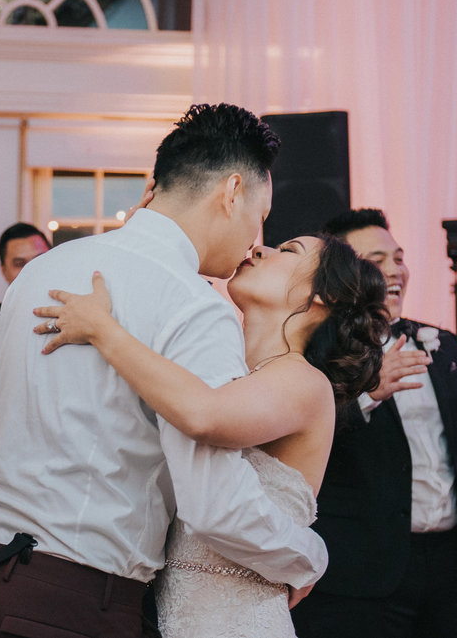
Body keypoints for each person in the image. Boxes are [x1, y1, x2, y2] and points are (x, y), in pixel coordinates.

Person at [0, 104, 328, 638]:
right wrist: (308, 556)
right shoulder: (193, 305)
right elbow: (213, 504)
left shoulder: (43, 269)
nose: (257, 240)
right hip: (67, 601)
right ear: (232, 193)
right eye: (262, 217)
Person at [32, 232, 389, 637]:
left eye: (287, 250)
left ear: (326, 296)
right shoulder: (223, 370)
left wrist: (104, 330)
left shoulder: (305, 382)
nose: (257, 248)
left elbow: (202, 416)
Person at [291, 208, 457, 638]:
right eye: (378, 260)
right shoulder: (320, 351)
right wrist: (368, 396)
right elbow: (301, 440)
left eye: (399, 257)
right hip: (365, 571)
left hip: (451, 565)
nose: (396, 270)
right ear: (342, 274)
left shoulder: (440, 344)